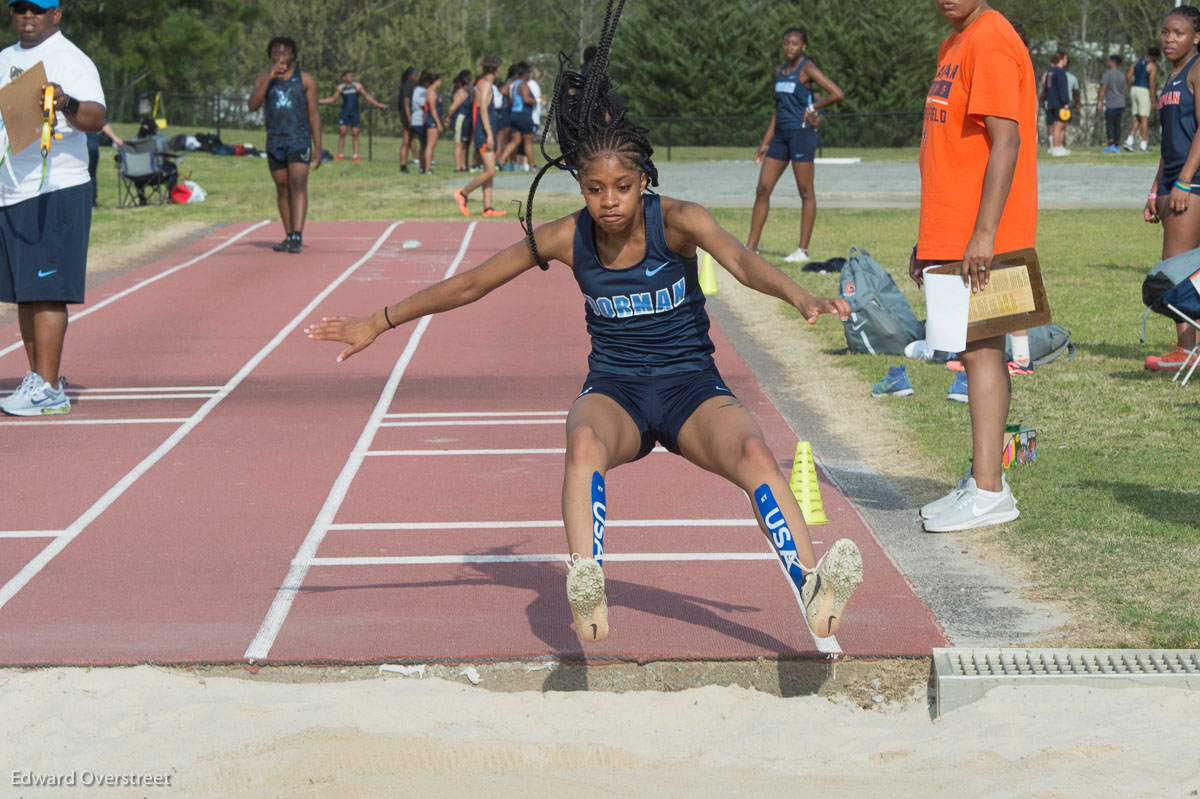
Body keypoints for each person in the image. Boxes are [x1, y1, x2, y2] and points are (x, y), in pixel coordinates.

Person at [307, 1, 864, 645]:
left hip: (691, 388)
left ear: (642, 180)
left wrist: (800, 297)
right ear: (581, 185)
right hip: (617, 393)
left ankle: (811, 586)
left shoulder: (679, 219)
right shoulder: (567, 238)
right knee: (583, 446)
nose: (608, 202)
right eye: (595, 189)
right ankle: (587, 583)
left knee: (753, 452)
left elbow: (740, 260)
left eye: (622, 188)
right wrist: (379, 320)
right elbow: (471, 284)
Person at [911, 0, 1037, 532]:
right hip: (954, 232)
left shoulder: (990, 38)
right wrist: (929, 240)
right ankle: (984, 479)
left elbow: (1005, 141)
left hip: (983, 235)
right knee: (971, 351)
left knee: (985, 353)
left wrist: (983, 234)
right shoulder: (956, 41)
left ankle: (989, 492)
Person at [0, 0, 106, 417]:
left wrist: (66, 103)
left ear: (56, 15)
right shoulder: (5, 59)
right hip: (12, 190)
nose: (28, 18)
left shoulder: (71, 59)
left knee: (46, 293)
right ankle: (38, 378)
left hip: (57, 188)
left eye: (37, 11)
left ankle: (48, 387)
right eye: (20, 10)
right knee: (25, 295)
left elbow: (96, 118)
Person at [745, 27, 844, 264]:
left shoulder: (806, 68)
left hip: (801, 136)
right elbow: (777, 112)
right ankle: (751, 247)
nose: (790, 47)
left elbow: (836, 93)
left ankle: (803, 250)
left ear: (803, 47)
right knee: (762, 189)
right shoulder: (779, 71)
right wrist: (765, 142)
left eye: (795, 43)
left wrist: (813, 108)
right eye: (786, 43)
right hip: (780, 136)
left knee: (805, 191)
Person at [1142, 5, 1200, 372]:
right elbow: (1169, 141)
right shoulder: (1171, 75)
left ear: (1196, 37)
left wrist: (1183, 182)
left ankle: (1186, 349)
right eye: (1165, 31)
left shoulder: (1197, 70)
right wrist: (1155, 189)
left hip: (1190, 182)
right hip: (1172, 180)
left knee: (1174, 269)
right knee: (1180, 267)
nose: (1169, 38)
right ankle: (1190, 346)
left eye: (1178, 33)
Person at [248, 36, 321, 254]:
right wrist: (269, 78)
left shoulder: (305, 80)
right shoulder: (263, 80)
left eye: (285, 53)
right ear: (271, 55)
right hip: (275, 140)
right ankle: (288, 234)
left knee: (298, 183)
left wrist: (318, 147)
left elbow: (314, 114)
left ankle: (297, 235)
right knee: (282, 187)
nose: (281, 57)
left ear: (293, 55)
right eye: (277, 53)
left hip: (298, 139)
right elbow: (252, 106)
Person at [453, 55, 507, 217]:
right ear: (497, 70)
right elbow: (483, 109)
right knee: (490, 171)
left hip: (485, 130)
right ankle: (463, 193)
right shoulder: (484, 86)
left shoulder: (484, 85)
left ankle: (487, 207)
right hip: (484, 132)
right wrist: (489, 133)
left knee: (489, 170)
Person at [318, 70, 387, 162]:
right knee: (342, 133)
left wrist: (377, 104)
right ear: (344, 78)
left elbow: (366, 96)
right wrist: (318, 101)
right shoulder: (341, 88)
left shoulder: (357, 86)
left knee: (355, 134)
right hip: (344, 113)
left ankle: (355, 156)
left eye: (351, 75)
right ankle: (340, 155)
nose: (350, 77)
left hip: (355, 113)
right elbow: (332, 99)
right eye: (348, 76)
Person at [497, 62, 537, 172]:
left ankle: (501, 160)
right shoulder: (523, 84)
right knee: (528, 141)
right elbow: (526, 99)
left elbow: (506, 92)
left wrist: (510, 101)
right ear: (525, 73)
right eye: (529, 72)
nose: (530, 75)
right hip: (523, 114)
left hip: (514, 114)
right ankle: (532, 165)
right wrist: (538, 99)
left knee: (516, 140)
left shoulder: (514, 83)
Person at [1127, 46, 1160, 152]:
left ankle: (1129, 140)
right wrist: (1154, 101)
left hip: (1134, 89)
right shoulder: (1152, 66)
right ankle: (1143, 144)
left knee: (1138, 118)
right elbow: (1151, 83)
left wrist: (1131, 87)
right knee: (1145, 118)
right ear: (1155, 57)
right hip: (1143, 90)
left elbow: (1128, 76)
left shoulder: (1137, 62)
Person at [1040, 51, 1071, 156]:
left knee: (1057, 125)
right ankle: (1057, 147)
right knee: (1059, 125)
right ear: (1062, 59)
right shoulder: (1060, 72)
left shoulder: (1050, 71)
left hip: (1050, 101)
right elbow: (1063, 88)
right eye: (1065, 58)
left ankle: (1058, 146)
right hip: (1059, 102)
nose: (1066, 61)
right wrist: (1065, 102)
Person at [86, 122, 123, 207]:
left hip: (88, 146)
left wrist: (115, 138)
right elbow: (103, 123)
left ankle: (91, 202)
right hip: (90, 145)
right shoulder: (93, 108)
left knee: (90, 175)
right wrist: (115, 138)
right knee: (91, 175)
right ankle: (92, 203)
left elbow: (103, 123)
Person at [1098, 55, 1128, 154]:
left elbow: (1103, 87)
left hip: (1112, 102)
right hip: (1121, 102)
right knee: (1117, 124)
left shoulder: (1108, 73)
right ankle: (1117, 144)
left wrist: (1100, 101)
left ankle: (1111, 144)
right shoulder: (1122, 75)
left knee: (1110, 124)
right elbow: (1124, 90)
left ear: (1112, 62)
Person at [447, 70, 474, 172]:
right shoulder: (461, 93)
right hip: (461, 119)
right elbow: (453, 108)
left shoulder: (470, 92)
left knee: (465, 143)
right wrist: (448, 118)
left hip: (467, 119)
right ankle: (458, 166)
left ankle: (464, 165)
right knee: (459, 143)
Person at [419, 72, 444, 174]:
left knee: (429, 145)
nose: (440, 83)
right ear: (435, 81)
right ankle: (428, 169)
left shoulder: (432, 92)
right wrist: (438, 123)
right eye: (439, 80)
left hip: (430, 120)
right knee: (430, 146)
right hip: (431, 121)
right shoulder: (431, 92)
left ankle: (425, 167)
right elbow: (433, 109)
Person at [398, 67, 418, 172]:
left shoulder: (411, 86)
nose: (417, 78)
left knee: (410, 140)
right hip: (407, 117)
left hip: (410, 116)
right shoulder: (407, 86)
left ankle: (408, 163)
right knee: (406, 141)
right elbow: (406, 104)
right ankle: (403, 166)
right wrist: (410, 120)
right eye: (415, 76)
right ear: (409, 77)